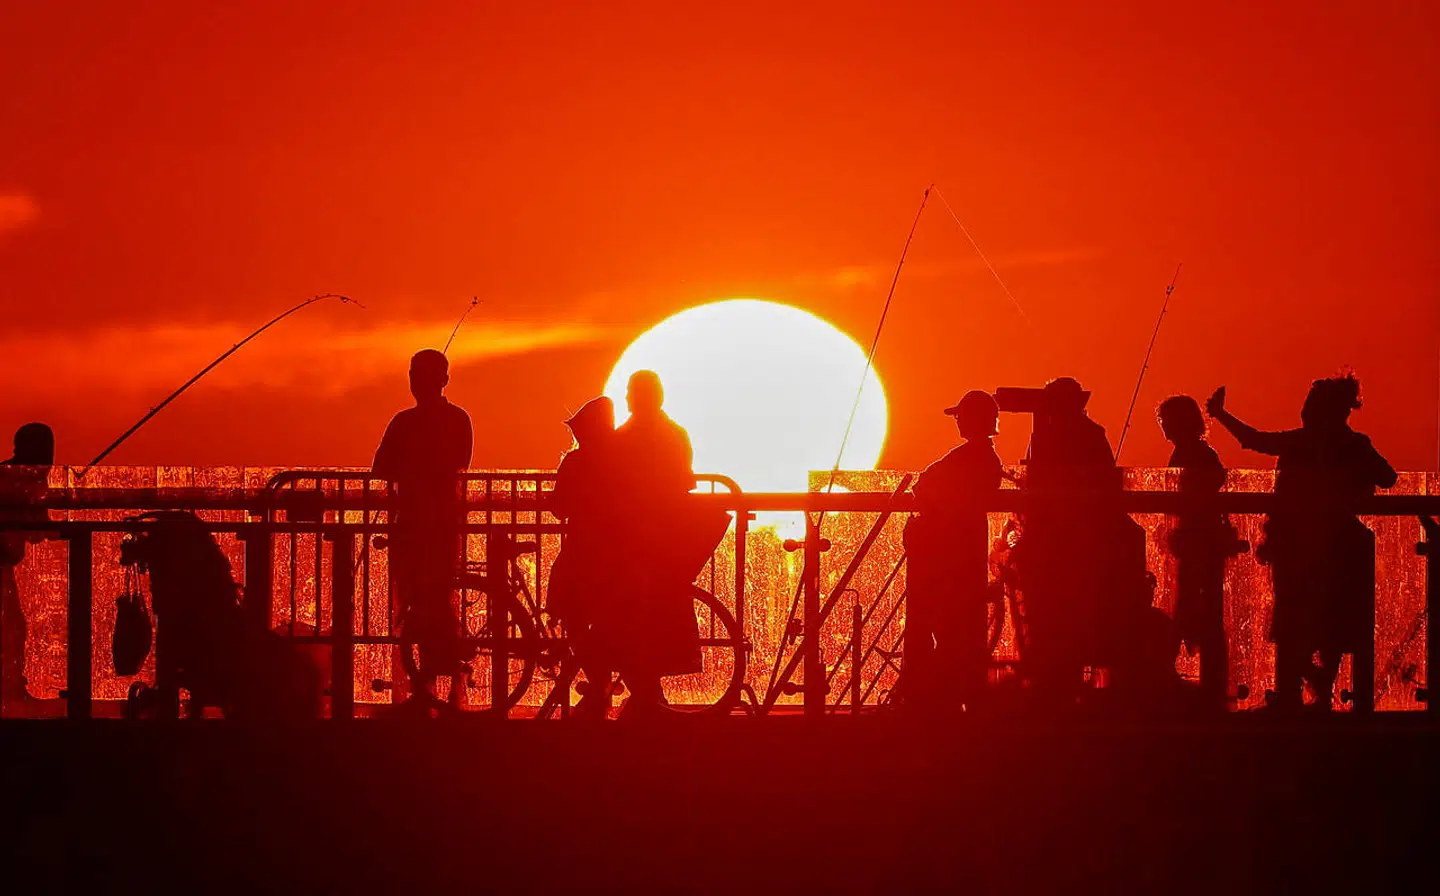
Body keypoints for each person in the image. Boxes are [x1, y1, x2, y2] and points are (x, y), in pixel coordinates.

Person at [1207, 374, 1396, 710]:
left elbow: (1253, 440)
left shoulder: (1302, 442)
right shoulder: (1355, 445)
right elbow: (1387, 477)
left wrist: (1221, 415)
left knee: (1295, 619)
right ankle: (1321, 688)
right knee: (1332, 620)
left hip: (1295, 546)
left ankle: (1295, 692)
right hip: (1340, 545)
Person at [1009, 378, 1171, 703]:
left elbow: (1048, 491)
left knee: (1054, 618)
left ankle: (1055, 681)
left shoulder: (1052, 436)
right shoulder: (1091, 434)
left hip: (1066, 550)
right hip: (1087, 548)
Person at [373, 350, 473, 714]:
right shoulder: (457, 420)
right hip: (435, 522)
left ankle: (429, 682)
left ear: (442, 379)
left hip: (426, 524)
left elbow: (381, 466)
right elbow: (462, 460)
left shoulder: (404, 423)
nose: (417, 381)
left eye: (421, 375)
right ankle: (433, 683)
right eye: (414, 374)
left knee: (422, 602)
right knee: (425, 603)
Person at [607, 370, 702, 718]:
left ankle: (644, 690)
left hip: (631, 540)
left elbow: (613, 487)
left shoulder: (622, 437)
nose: (630, 399)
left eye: (633, 393)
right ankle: (650, 691)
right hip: (666, 539)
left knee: (630, 617)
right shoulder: (675, 434)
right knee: (662, 615)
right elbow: (684, 483)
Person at [903, 391, 1003, 712]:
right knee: (956, 629)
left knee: (948, 628)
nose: (958, 421)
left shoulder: (970, 459)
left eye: (962, 416)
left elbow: (925, 486)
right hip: (956, 560)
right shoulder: (981, 460)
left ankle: (944, 699)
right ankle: (956, 695)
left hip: (948, 562)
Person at [1157, 395, 1239, 710]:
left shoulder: (1193, 454)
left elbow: (1198, 494)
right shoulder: (1199, 453)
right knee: (1197, 608)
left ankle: (1176, 675)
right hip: (1199, 542)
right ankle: (1205, 679)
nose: (1164, 427)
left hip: (1198, 544)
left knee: (1189, 607)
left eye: (1166, 421)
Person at [548, 396, 620, 720]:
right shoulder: (622, 461)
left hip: (580, 553)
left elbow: (558, 507)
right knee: (609, 620)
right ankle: (604, 682)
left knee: (573, 618)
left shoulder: (576, 463)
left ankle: (598, 682)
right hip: (616, 554)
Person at [1, 423, 53, 709]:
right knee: (11, 628)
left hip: (4, 565)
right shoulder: (23, 479)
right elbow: (39, 531)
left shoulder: (11, 475)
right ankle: (10, 691)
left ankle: (11, 688)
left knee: (13, 626)